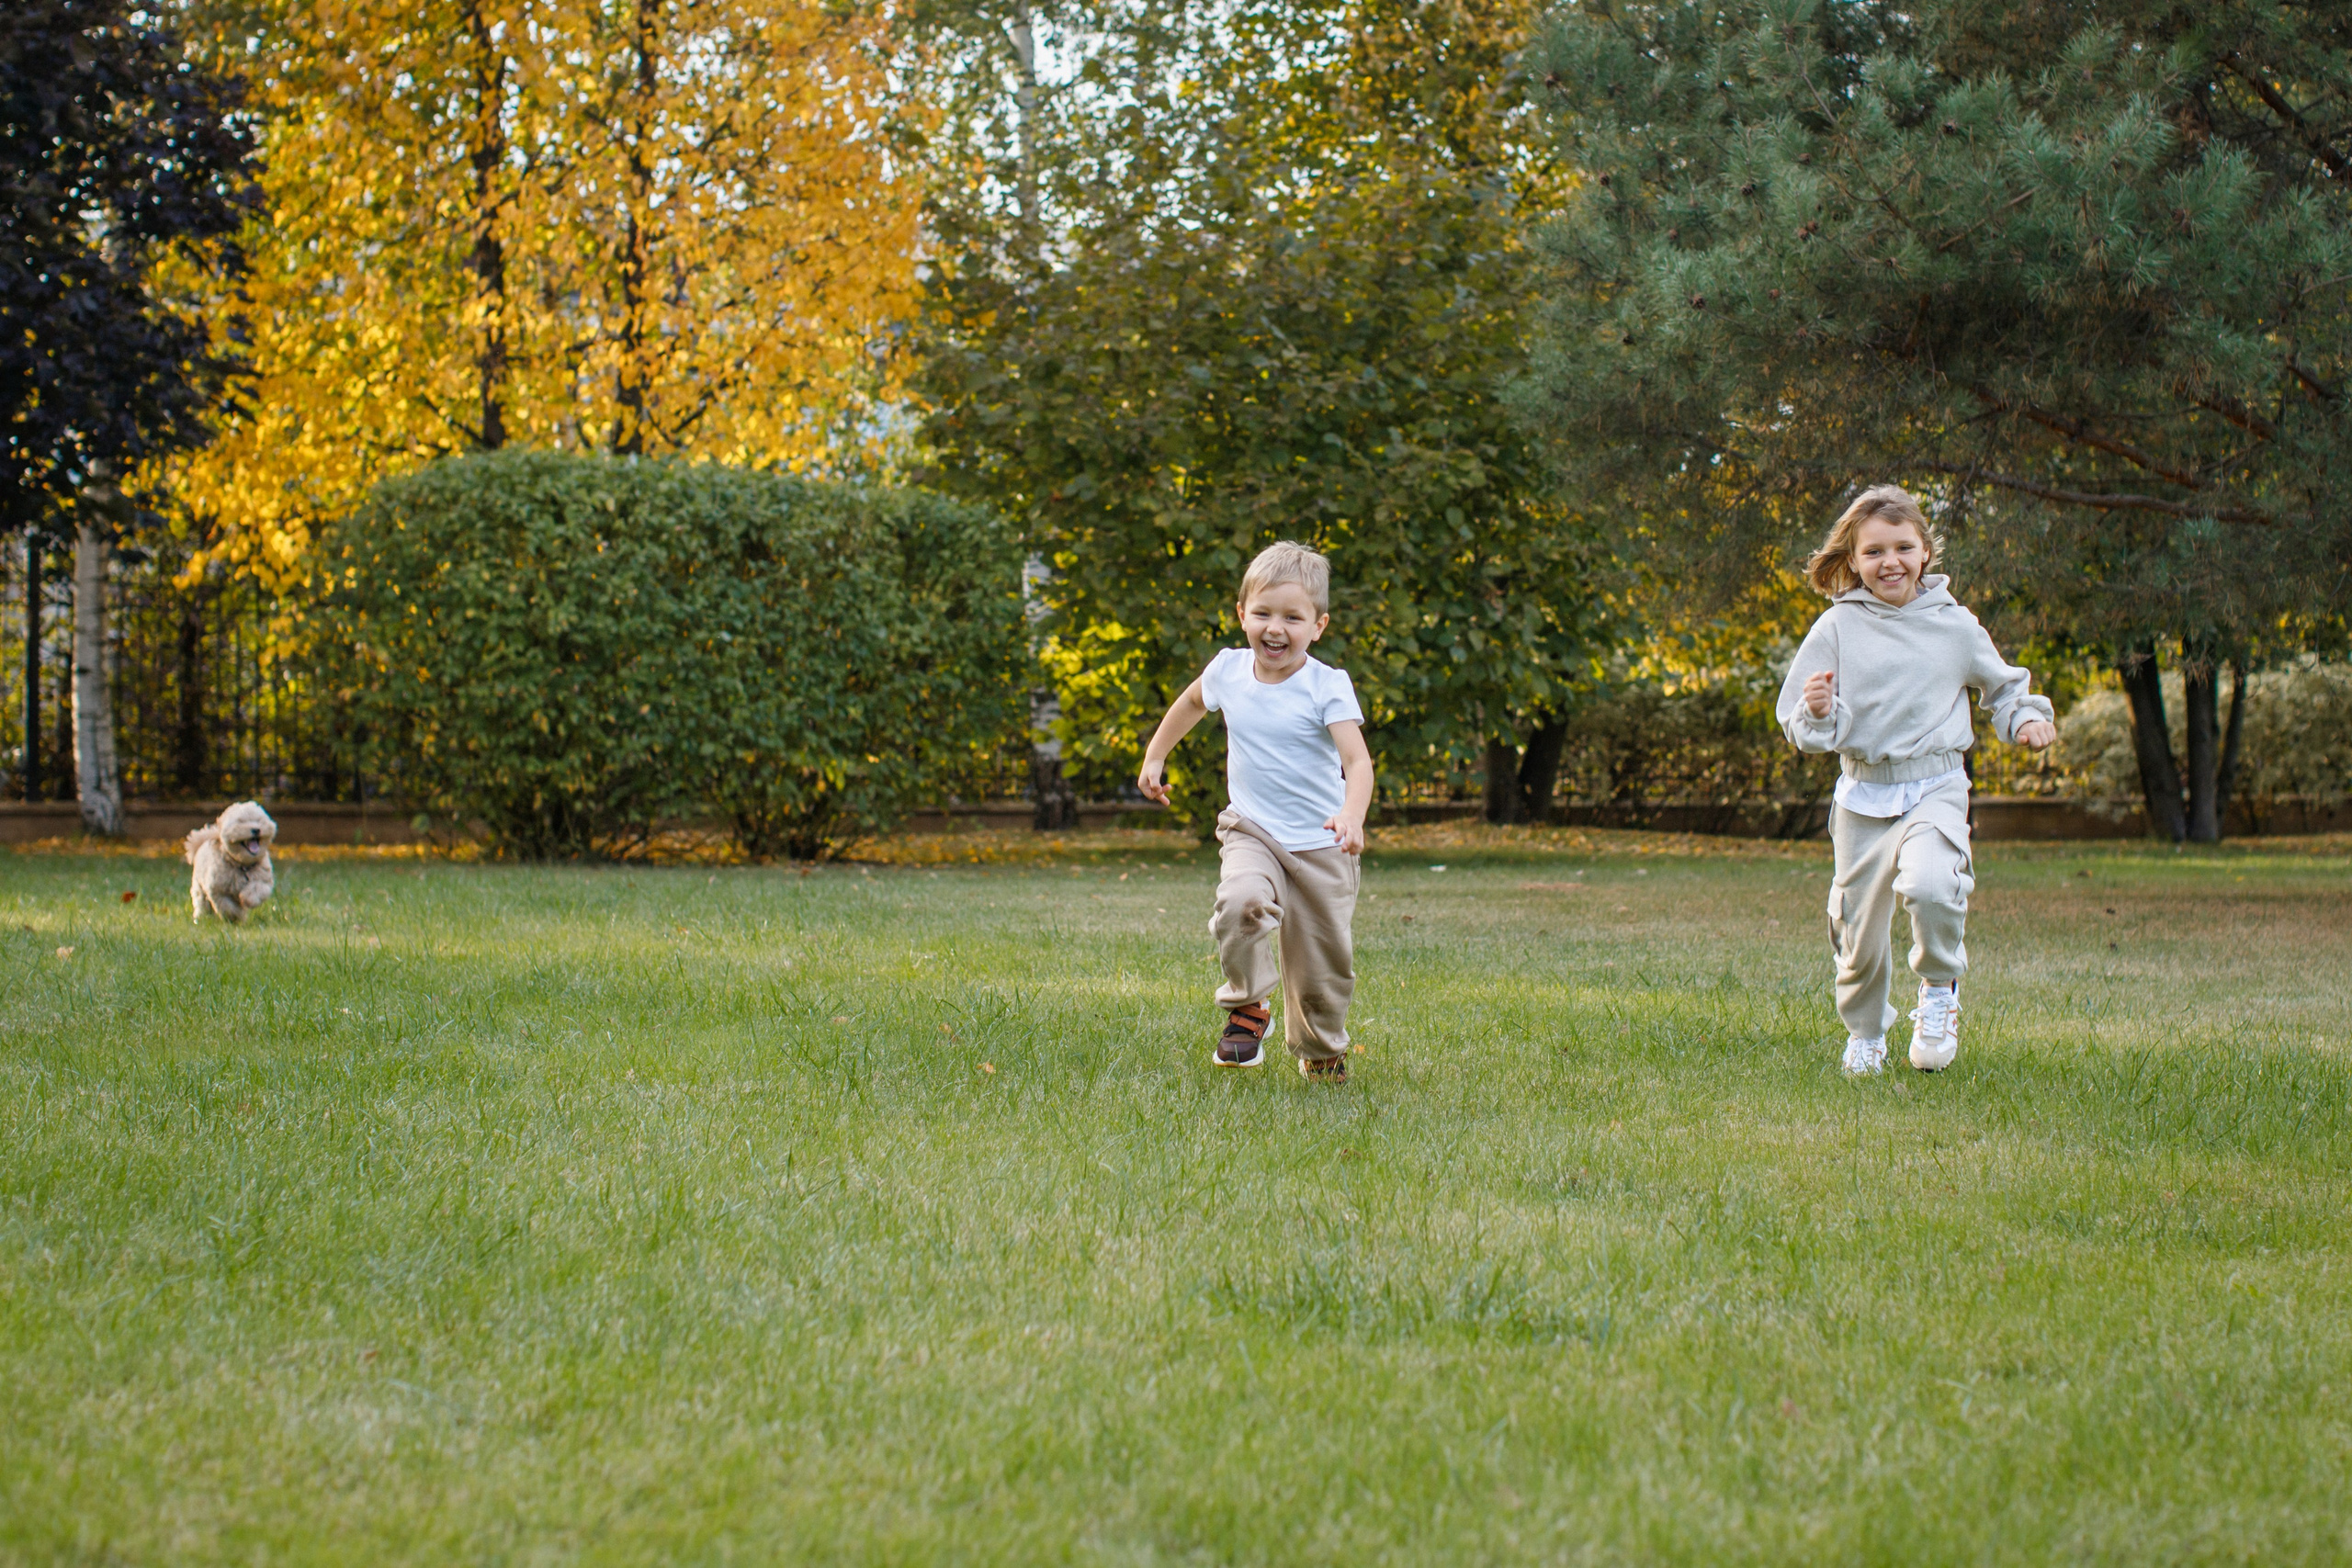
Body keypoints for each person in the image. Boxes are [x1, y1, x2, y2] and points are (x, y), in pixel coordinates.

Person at [1775, 485, 2056, 1076]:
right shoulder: (1835, 628)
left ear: (1926, 551)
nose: (1890, 562)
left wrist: (2025, 717)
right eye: (1874, 551)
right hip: (1863, 795)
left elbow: (2004, 686)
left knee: (1932, 886)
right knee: (1857, 931)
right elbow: (1797, 724)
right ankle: (1866, 1034)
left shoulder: (1954, 625)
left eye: (1903, 547)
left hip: (1935, 785)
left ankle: (1938, 992)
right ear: (1853, 560)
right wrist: (1819, 711)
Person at [1137, 541, 1374, 1080]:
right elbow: (1192, 702)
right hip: (1253, 831)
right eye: (1264, 613)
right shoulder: (1228, 669)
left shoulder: (1326, 685)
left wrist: (1352, 815)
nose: (1275, 628)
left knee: (1322, 969)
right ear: (1242, 614)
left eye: (1293, 617)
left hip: (1322, 845)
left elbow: (1357, 762)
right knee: (1239, 905)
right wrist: (1155, 755)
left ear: (1318, 626)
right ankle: (1249, 1006)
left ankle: (1321, 1051)